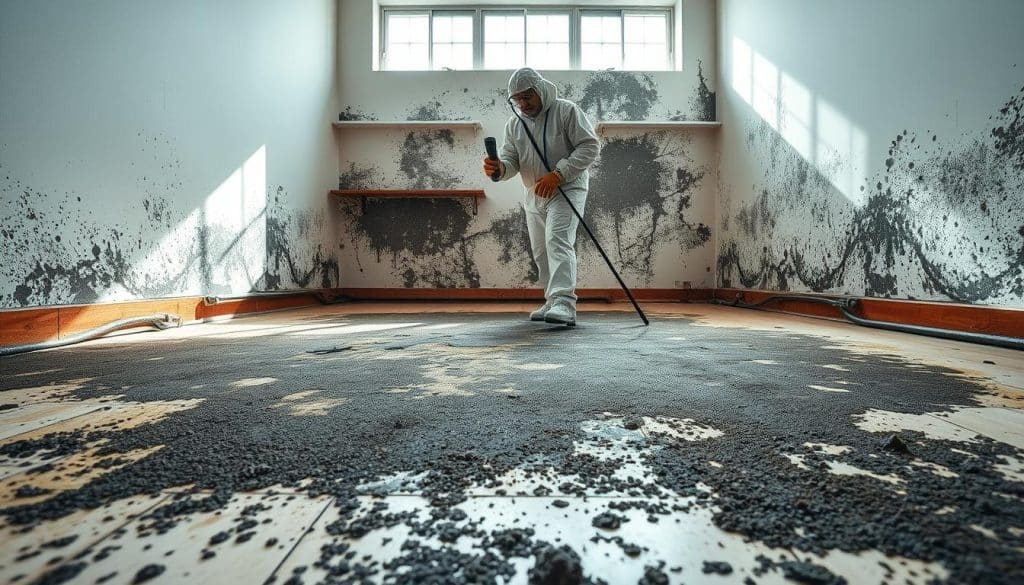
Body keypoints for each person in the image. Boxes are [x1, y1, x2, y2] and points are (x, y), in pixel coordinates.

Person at [483, 68, 600, 327]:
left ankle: (564, 303)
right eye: (517, 100)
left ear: (541, 90)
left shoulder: (566, 111)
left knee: (557, 240)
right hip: (535, 191)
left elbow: (590, 145)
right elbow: (511, 160)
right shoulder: (514, 125)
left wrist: (560, 174)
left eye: (527, 97)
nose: (523, 105)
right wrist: (499, 168)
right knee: (541, 249)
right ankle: (551, 299)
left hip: (567, 188)